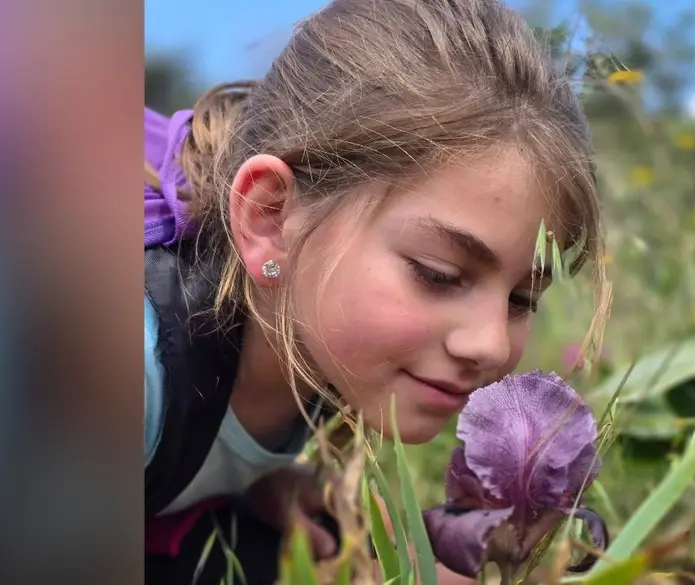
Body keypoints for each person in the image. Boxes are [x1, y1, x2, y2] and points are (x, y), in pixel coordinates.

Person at [143, 0, 611, 583]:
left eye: (522, 299)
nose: (491, 345)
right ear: (269, 217)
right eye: (437, 273)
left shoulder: (313, 343)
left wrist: (255, 486)